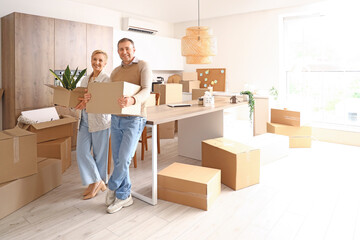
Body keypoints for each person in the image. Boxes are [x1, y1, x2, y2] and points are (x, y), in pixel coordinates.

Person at [105, 38, 151, 214]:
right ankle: (124, 196)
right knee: (118, 160)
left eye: (127, 49)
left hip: (135, 119)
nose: (124, 52)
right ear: (118, 52)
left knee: (124, 159)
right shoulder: (115, 72)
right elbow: (110, 94)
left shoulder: (143, 66)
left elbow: (146, 89)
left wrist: (133, 99)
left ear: (134, 49)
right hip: (116, 119)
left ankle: (112, 186)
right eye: (120, 49)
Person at [75, 50, 111, 200]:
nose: (97, 62)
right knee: (81, 151)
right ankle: (97, 180)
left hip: (100, 121)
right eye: (95, 59)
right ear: (91, 60)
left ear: (105, 63)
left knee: (100, 155)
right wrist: (80, 102)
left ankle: (96, 182)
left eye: (100, 60)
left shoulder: (107, 79)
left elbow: (106, 100)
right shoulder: (85, 79)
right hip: (84, 119)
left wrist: (89, 100)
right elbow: (80, 99)